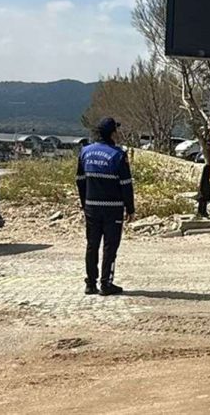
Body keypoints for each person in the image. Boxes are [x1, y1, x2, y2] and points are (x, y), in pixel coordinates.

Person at [76, 117, 135, 295]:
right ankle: (106, 284)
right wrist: (130, 208)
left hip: (91, 207)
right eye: (116, 130)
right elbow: (126, 184)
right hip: (112, 209)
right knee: (111, 246)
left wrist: (84, 203)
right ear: (111, 133)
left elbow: (80, 181)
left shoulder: (85, 152)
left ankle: (90, 283)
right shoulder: (117, 155)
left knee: (92, 245)